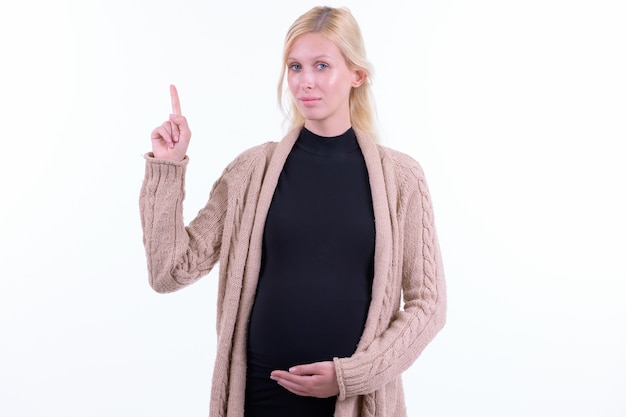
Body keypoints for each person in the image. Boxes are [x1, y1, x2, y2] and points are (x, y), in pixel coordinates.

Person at [140, 6, 446, 417]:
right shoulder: (252, 170)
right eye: (295, 67)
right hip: (258, 399)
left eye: (322, 66)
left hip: (353, 402)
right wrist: (167, 167)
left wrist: (349, 377)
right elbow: (170, 271)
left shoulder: (402, 178)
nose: (306, 81)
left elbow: (429, 305)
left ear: (357, 75)